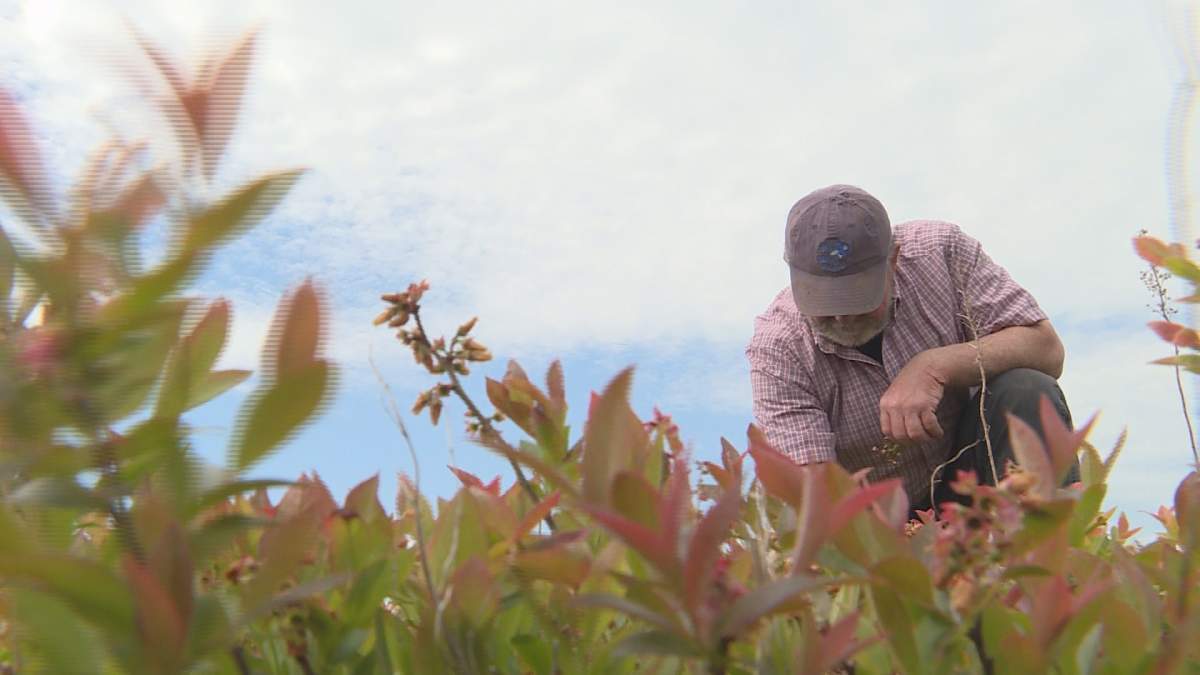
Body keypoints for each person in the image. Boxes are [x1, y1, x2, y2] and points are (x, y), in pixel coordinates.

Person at [745, 184, 1074, 513]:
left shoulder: (943, 253)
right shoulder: (778, 348)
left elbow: (1045, 348)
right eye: (822, 300)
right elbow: (813, 492)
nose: (842, 316)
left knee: (1026, 389)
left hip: (974, 475)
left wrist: (935, 367)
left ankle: (1044, 549)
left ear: (894, 259)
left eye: (859, 297)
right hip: (877, 521)